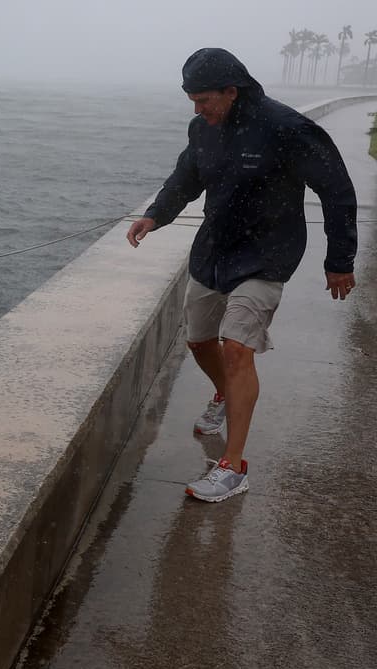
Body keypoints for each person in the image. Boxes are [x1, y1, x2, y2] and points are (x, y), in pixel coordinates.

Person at [126, 47, 358, 502]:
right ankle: (221, 395)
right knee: (198, 340)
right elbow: (186, 179)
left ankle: (233, 467)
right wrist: (155, 215)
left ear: (231, 92)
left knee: (237, 349)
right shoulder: (203, 129)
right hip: (214, 250)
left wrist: (340, 260)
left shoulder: (286, 128)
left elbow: (337, 189)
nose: (197, 109)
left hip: (267, 254)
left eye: (204, 100)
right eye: (191, 100)